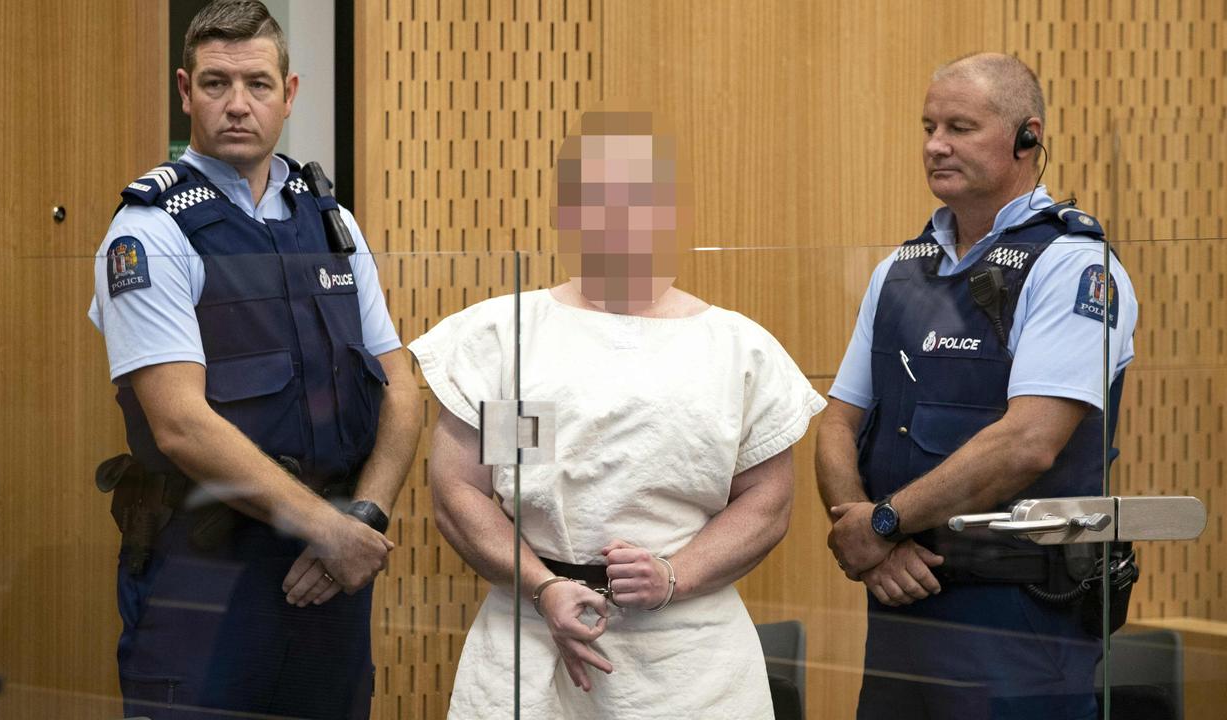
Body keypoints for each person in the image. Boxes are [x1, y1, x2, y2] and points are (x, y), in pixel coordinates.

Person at [408, 110, 827, 719]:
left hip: (690, 661)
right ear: (567, 213)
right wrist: (545, 585)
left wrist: (673, 574)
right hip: (527, 636)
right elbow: (460, 493)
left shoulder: (737, 349)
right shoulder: (511, 338)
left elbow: (767, 503)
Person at [87, 2, 421, 718]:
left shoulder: (330, 222)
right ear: (184, 91)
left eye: (258, 84)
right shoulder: (150, 228)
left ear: (289, 93)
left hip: (330, 573)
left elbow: (400, 385)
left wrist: (363, 518)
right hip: (205, 575)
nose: (237, 105)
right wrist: (331, 532)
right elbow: (178, 424)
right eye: (215, 83)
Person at [816, 53, 1138, 720]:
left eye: (960, 127)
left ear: (1028, 136)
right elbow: (839, 423)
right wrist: (866, 540)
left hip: (1019, 613)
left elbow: (1028, 443)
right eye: (928, 126)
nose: (936, 145)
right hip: (901, 596)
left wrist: (882, 521)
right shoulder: (899, 271)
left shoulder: (1073, 265)